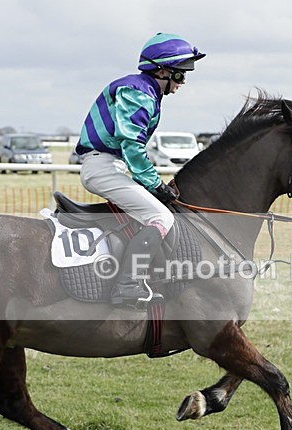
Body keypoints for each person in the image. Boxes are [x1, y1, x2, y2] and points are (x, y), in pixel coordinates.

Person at [74, 33, 205, 307]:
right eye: (180, 76)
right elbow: (131, 145)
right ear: (162, 71)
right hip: (104, 166)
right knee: (161, 218)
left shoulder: (145, 90)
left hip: (111, 165)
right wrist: (155, 184)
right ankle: (127, 286)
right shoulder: (138, 91)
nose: (183, 83)